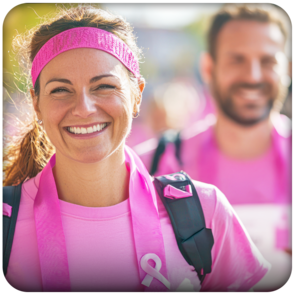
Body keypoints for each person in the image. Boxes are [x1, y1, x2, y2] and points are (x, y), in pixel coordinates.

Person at [1, 5, 270, 293]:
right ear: (36, 103)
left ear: (137, 95)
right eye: (60, 90)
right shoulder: (7, 225)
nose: (83, 108)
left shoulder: (205, 212)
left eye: (103, 86)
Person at [144, 3, 293, 292]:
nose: (253, 76)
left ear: (286, 70)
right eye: (237, 59)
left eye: (267, 61)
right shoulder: (153, 162)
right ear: (208, 67)